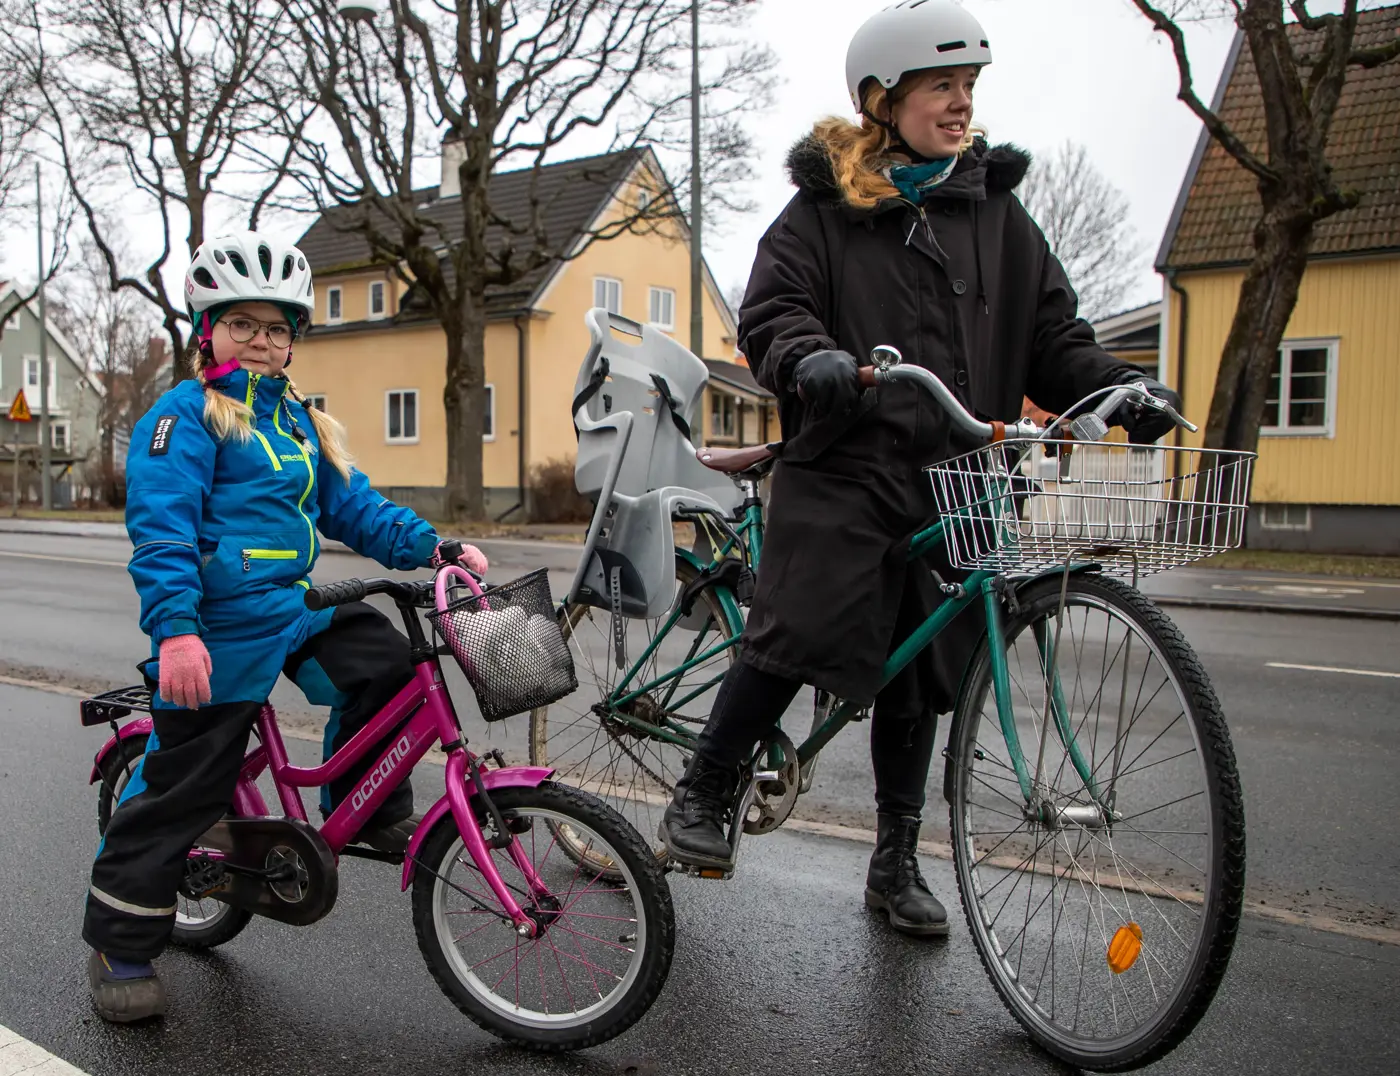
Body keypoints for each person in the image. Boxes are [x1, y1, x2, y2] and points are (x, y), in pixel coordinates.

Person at [660, 0, 1179, 938]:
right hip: (851, 461)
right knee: (800, 620)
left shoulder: (998, 213)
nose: (959, 105)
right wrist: (807, 356)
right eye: (941, 87)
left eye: (968, 87)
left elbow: (1056, 333)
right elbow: (774, 307)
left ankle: (895, 860)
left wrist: (1119, 387)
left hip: (964, 470)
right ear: (882, 99)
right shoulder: (827, 207)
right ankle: (703, 787)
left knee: (928, 672)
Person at [85, 230, 490, 1022]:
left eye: (277, 328)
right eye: (243, 324)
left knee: (388, 661)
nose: (262, 341)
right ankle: (121, 942)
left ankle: (361, 804)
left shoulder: (300, 424)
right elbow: (162, 532)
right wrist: (176, 632)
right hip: (216, 625)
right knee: (188, 783)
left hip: (292, 608)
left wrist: (434, 545)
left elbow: (357, 509)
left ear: (292, 341)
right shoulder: (186, 419)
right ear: (210, 331)